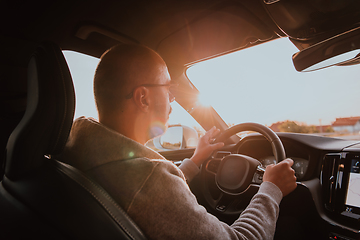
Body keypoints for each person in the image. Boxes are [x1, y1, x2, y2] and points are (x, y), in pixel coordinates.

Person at [58, 44, 297, 239]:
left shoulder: (81, 150)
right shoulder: (148, 180)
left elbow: (145, 191)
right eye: (168, 88)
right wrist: (270, 189)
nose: (172, 99)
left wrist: (194, 161)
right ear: (143, 98)